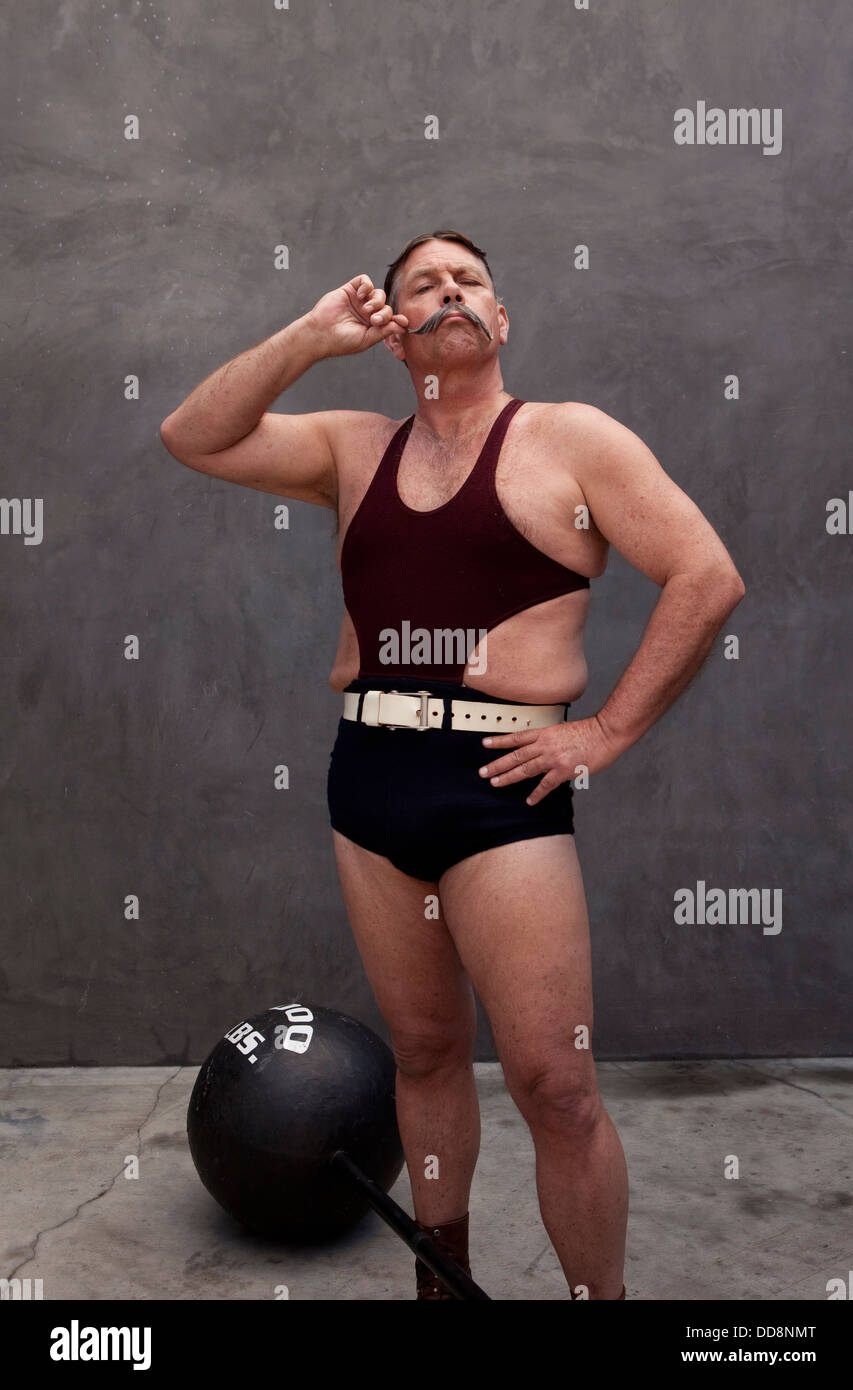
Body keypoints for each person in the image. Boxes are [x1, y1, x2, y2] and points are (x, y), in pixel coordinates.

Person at [160, 229, 745, 1300]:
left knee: (554, 1084)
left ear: (501, 317)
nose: (448, 292)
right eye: (420, 285)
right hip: (369, 780)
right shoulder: (351, 448)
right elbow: (191, 434)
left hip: (496, 791)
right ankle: (444, 1279)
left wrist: (602, 731)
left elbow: (705, 576)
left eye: (468, 280)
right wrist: (308, 337)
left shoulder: (571, 439)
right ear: (391, 332)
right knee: (423, 1056)